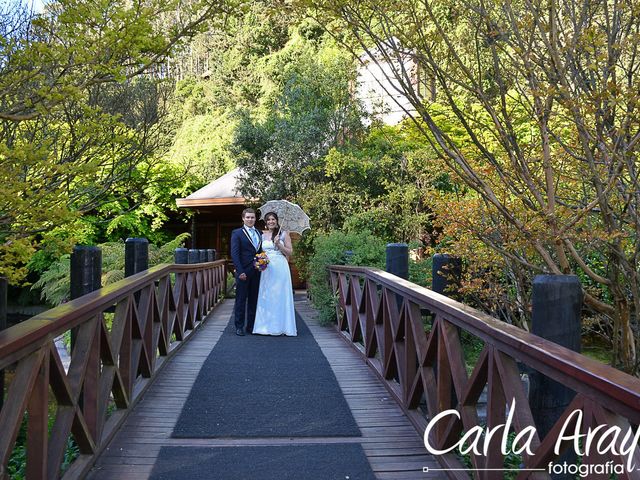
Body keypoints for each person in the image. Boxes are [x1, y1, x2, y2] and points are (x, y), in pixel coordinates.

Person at [252, 212, 297, 336]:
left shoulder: (284, 234)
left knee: (279, 295)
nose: (271, 221)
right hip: (266, 268)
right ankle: (264, 327)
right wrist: (259, 261)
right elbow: (259, 251)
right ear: (266, 222)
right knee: (267, 294)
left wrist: (278, 244)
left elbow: (290, 252)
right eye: (268, 220)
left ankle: (281, 326)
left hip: (280, 267)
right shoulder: (262, 234)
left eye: (273, 219)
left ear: (277, 221)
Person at [230, 208, 262, 336]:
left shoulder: (259, 233)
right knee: (241, 300)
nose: (250, 219)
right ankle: (239, 326)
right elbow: (235, 253)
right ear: (243, 218)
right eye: (248, 217)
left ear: (255, 219)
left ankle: (251, 326)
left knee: (254, 300)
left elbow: (260, 252)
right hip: (243, 271)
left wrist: (262, 263)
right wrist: (240, 271)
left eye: (252, 217)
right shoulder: (237, 233)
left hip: (257, 271)